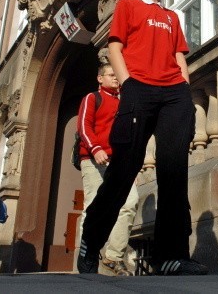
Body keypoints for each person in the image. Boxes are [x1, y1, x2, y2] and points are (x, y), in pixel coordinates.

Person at [77, 0, 208, 276]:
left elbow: (179, 56)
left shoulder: (172, 18)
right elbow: (115, 47)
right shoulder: (128, 7)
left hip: (173, 95)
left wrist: (184, 89)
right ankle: (91, 241)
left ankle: (171, 255)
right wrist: (129, 84)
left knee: (173, 173)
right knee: (124, 170)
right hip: (139, 91)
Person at [77, 63, 138, 276]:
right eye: (110, 75)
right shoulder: (92, 98)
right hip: (94, 160)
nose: (115, 78)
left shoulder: (125, 102)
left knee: (129, 203)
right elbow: (84, 126)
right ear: (100, 78)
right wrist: (95, 149)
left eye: (116, 75)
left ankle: (113, 257)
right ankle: (86, 255)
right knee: (92, 207)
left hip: (120, 162)